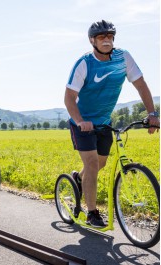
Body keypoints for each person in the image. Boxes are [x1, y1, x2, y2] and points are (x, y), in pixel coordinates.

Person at [64, 20, 160, 227]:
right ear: (92, 40)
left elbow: (140, 84)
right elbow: (69, 97)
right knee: (91, 164)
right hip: (82, 122)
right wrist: (81, 121)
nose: (106, 40)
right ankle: (91, 213)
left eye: (109, 36)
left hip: (104, 122)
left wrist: (152, 113)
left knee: (100, 164)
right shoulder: (85, 63)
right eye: (101, 37)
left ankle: (78, 179)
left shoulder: (123, 57)